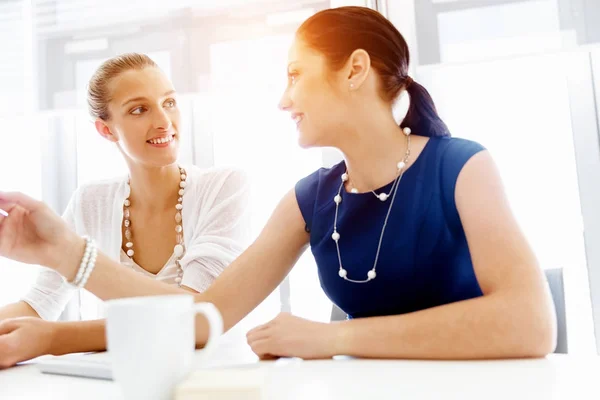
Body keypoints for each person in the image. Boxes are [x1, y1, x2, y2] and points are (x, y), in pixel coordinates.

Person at [0, 7, 556, 366]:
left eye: (295, 75)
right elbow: (199, 320)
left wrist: (332, 338)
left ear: (355, 69)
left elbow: (530, 324)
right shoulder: (308, 199)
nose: (283, 100)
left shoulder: (462, 166)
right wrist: (69, 255)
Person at [0, 53, 250, 366]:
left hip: (212, 383)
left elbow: (198, 319)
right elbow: (39, 303)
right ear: (107, 130)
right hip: (122, 383)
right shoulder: (90, 201)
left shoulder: (223, 188)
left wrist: (52, 337)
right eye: (139, 109)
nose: (163, 121)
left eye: (169, 102)